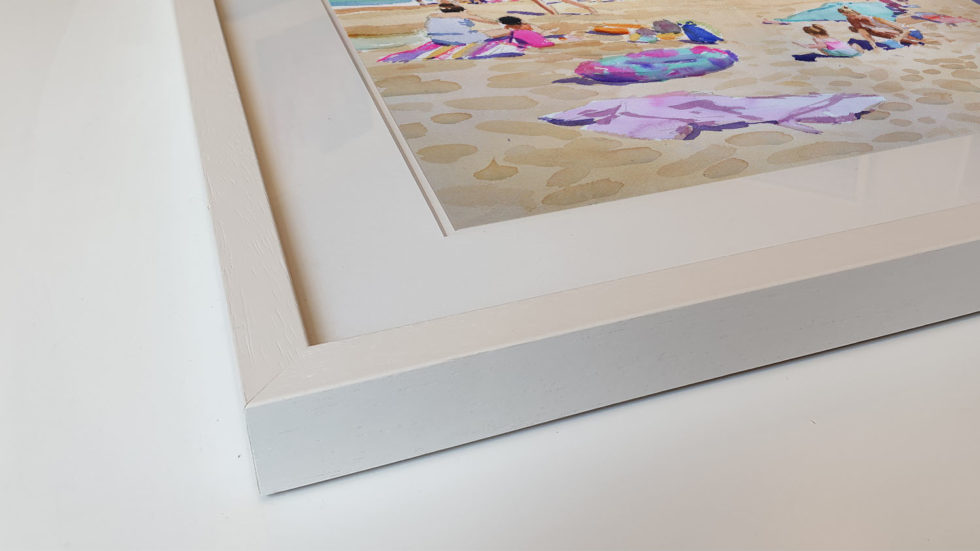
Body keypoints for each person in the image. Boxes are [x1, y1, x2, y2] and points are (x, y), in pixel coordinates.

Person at [837, 6, 925, 49]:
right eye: (845, 14)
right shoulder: (854, 21)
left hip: (888, 27)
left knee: (901, 33)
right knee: (893, 36)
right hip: (877, 30)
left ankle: (915, 41)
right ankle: (914, 42)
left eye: (848, 14)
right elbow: (864, 32)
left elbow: (891, 25)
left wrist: (901, 31)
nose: (848, 16)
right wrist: (871, 41)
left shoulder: (873, 19)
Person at [425, 3, 496, 45]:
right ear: (461, 11)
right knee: (499, 31)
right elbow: (487, 21)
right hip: (458, 40)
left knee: (478, 32)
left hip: (436, 39)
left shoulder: (433, 15)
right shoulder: (462, 15)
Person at [796, 24, 862, 57]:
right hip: (853, 50)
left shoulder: (823, 42)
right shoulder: (832, 38)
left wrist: (798, 44)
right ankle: (862, 53)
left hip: (845, 52)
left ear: (814, 34)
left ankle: (828, 55)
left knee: (820, 48)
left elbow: (810, 46)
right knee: (854, 45)